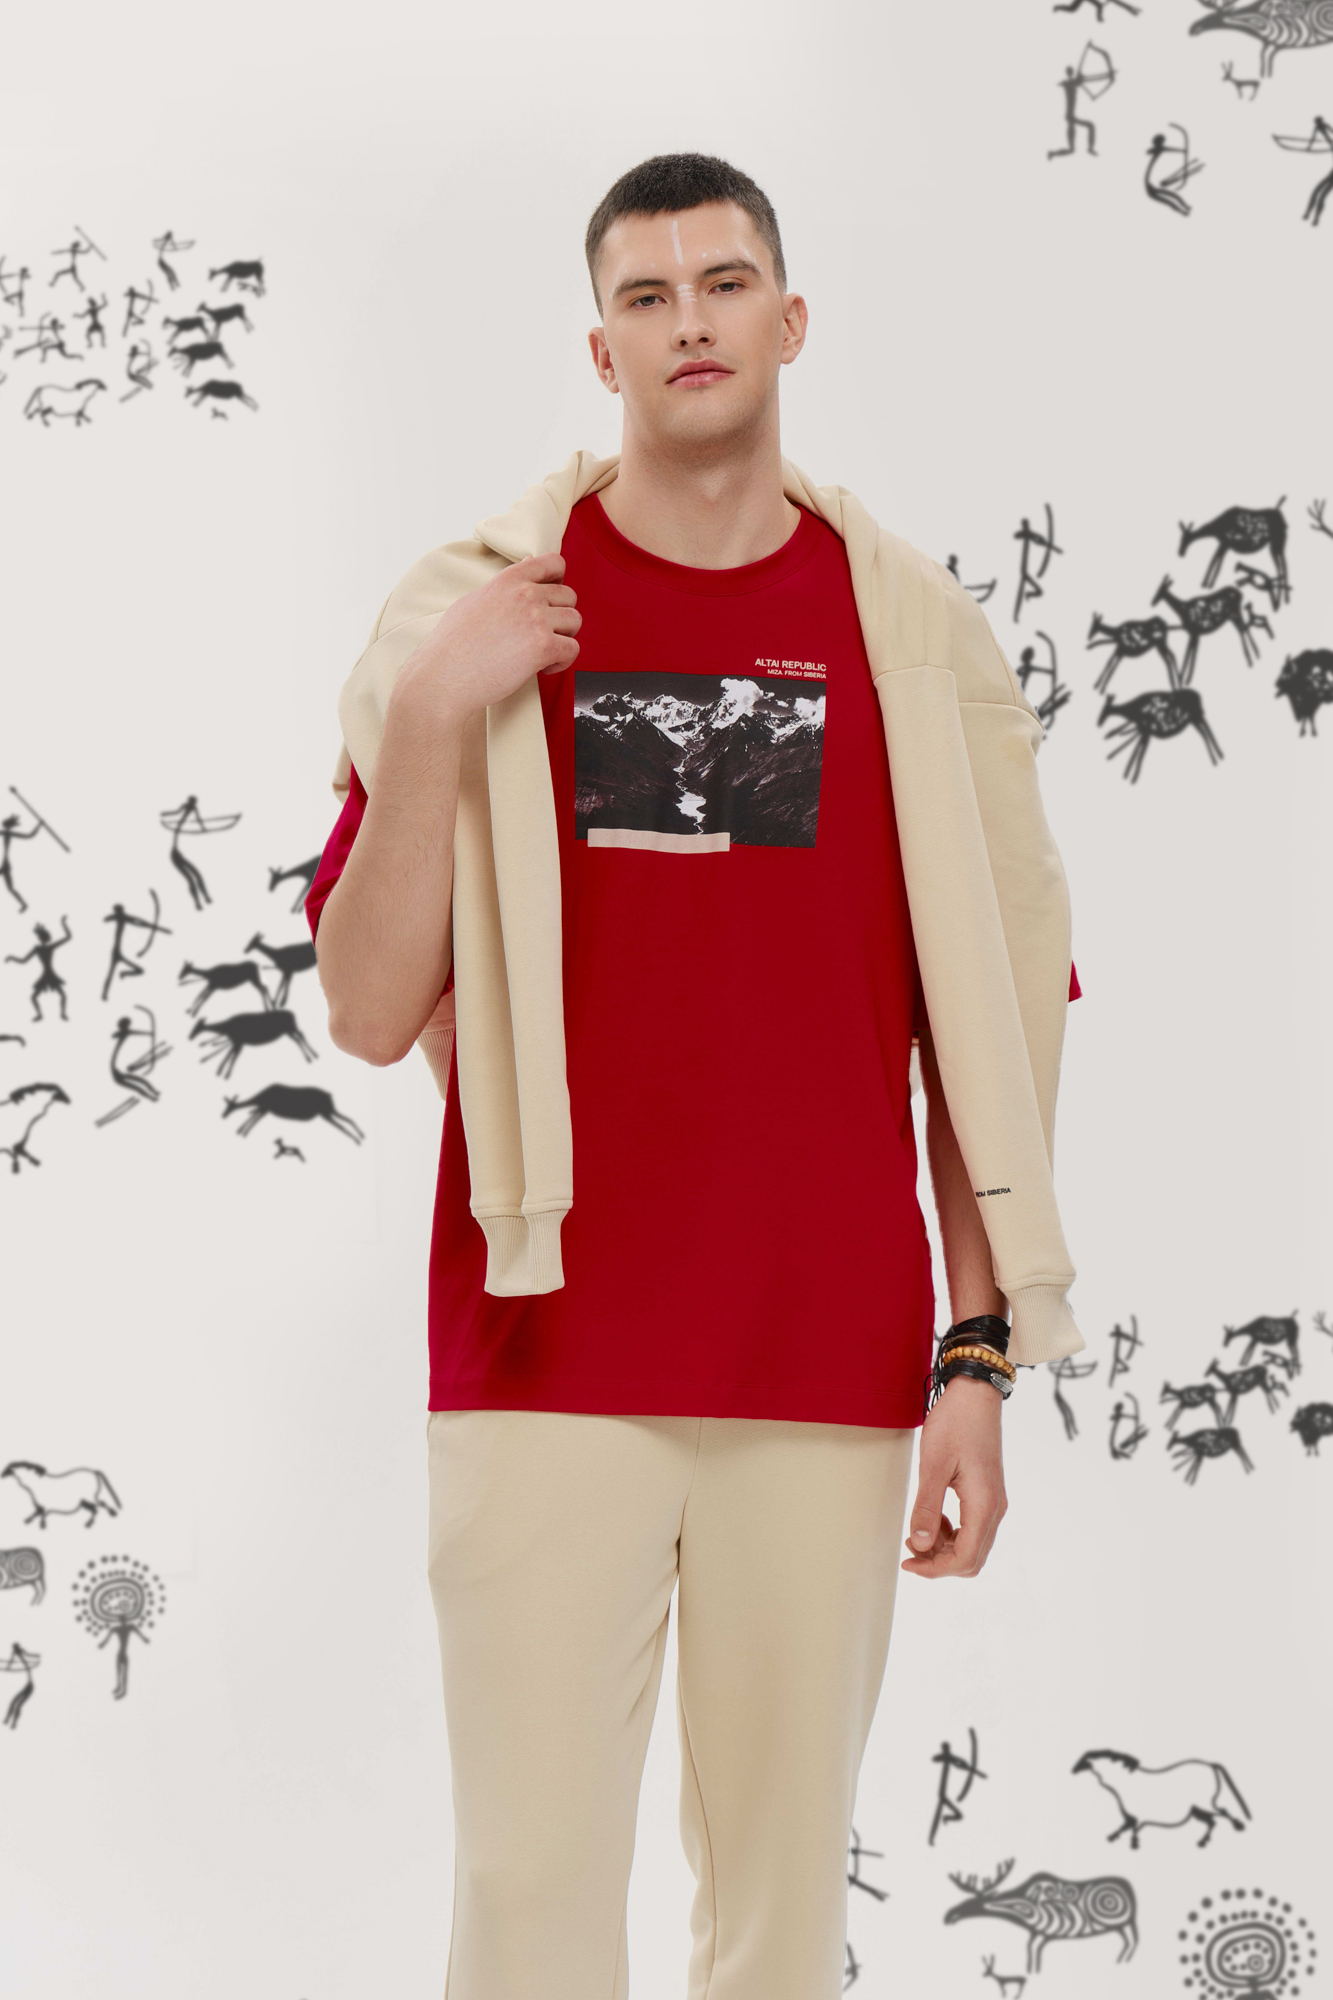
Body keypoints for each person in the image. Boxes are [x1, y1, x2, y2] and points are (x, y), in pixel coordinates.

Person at [306, 153, 1082, 2000]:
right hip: (542, 1353)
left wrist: (975, 1361)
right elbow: (364, 1005)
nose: (690, 323)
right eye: (645, 298)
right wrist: (439, 710)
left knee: (782, 1922)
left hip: (821, 1366)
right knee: (527, 1905)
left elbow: (982, 1034)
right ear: (603, 350)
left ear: (789, 321)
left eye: (723, 284)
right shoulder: (475, 613)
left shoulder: (910, 635)